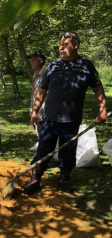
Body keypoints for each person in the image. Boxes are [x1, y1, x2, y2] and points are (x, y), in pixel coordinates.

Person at [23, 32, 107, 195]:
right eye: (60, 44)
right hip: (50, 119)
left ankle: (64, 179)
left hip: (71, 121)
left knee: (68, 153)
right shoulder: (52, 67)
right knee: (43, 150)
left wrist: (102, 109)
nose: (61, 47)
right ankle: (35, 179)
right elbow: (41, 91)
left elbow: (97, 87)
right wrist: (34, 111)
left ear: (76, 45)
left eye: (65, 44)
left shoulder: (86, 66)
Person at [28, 51, 47, 136]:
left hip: (45, 113)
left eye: (34, 60)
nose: (31, 62)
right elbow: (34, 93)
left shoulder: (47, 73)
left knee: (46, 137)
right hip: (37, 112)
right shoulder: (35, 74)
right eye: (31, 60)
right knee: (40, 135)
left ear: (40, 61)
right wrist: (32, 110)